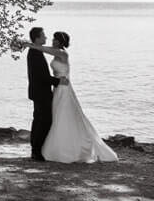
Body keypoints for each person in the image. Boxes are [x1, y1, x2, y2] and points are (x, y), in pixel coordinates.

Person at [39, 31, 117, 164]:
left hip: (64, 88)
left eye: (55, 39)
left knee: (62, 115)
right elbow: (45, 49)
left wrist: (27, 44)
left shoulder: (62, 53)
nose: (52, 40)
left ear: (60, 41)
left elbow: (42, 49)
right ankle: (63, 145)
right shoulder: (56, 51)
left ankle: (66, 149)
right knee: (59, 114)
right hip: (58, 88)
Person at [12, 26, 63, 161]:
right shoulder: (34, 53)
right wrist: (58, 81)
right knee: (45, 121)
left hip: (38, 92)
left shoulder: (35, 51)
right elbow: (41, 76)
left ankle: (36, 149)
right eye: (43, 35)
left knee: (38, 121)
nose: (46, 37)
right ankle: (37, 151)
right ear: (37, 38)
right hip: (41, 93)